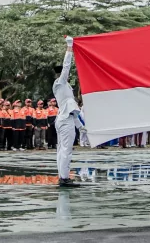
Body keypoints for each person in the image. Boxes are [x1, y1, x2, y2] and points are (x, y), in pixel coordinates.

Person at [53, 36, 84, 187]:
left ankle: (63, 176)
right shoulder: (60, 83)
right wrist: (69, 47)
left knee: (62, 149)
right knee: (66, 149)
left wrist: (80, 127)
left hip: (66, 118)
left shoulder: (64, 87)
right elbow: (66, 66)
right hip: (65, 120)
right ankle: (64, 178)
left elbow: (73, 111)